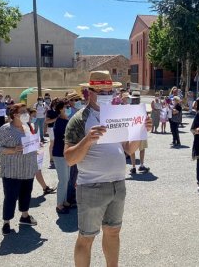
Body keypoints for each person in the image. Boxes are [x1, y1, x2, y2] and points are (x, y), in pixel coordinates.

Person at [63, 70, 152, 267]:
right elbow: (69, 159)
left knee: (113, 232)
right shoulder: (79, 119)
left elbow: (129, 149)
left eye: (109, 90)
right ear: (90, 91)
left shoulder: (116, 115)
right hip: (92, 186)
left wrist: (140, 131)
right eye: (101, 91)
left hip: (117, 185)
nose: (106, 94)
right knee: (86, 238)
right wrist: (87, 140)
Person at [0, 103, 38, 235]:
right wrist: (13, 149)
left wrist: (36, 145)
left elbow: (30, 144)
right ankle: (6, 222)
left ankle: (25, 216)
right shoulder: (5, 129)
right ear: (14, 115)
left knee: (26, 194)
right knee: (10, 197)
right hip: (12, 171)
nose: (26, 114)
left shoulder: (27, 127)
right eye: (23, 112)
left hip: (28, 169)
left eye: (26, 111)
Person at [27, 109, 56, 195]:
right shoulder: (24, 126)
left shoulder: (31, 125)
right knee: (32, 171)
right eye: (33, 116)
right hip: (28, 153)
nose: (35, 117)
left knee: (37, 170)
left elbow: (32, 137)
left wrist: (38, 143)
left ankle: (45, 188)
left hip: (32, 151)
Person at [52, 99, 73, 214]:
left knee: (67, 178)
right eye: (67, 107)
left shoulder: (66, 120)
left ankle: (64, 201)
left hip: (66, 153)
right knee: (63, 180)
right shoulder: (60, 122)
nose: (69, 108)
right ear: (61, 109)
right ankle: (59, 205)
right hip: (59, 154)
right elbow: (64, 138)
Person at [129, 91, 150, 174]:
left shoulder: (130, 108)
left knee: (134, 149)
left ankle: (135, 166)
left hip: (136, 131)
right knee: (140, 149)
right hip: (138, 131)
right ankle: (139, 165)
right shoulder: (141, 107)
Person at [45, 98, 60, 168]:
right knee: (52, 144)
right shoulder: (49, 111)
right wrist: (56, 119)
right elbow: (47, 121)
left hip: (59, 129)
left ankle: (57, 158)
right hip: (51, 129)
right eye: (56, 103)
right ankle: (51, 159)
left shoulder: (59, 111)